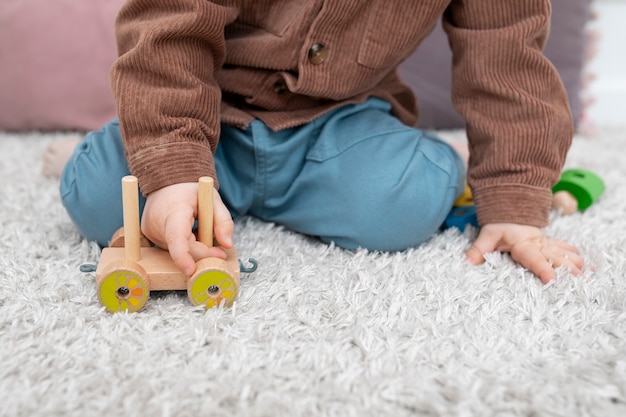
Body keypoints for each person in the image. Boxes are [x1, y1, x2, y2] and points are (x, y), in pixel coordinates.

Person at [57, 0, 584, 283]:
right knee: (104, 196)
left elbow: (508, 60)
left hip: (339, 122)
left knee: (402, 203)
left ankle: (461, 165)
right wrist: (170, 171)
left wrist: (514, 197)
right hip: (207, 116)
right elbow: (167, 29)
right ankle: (155, 146)